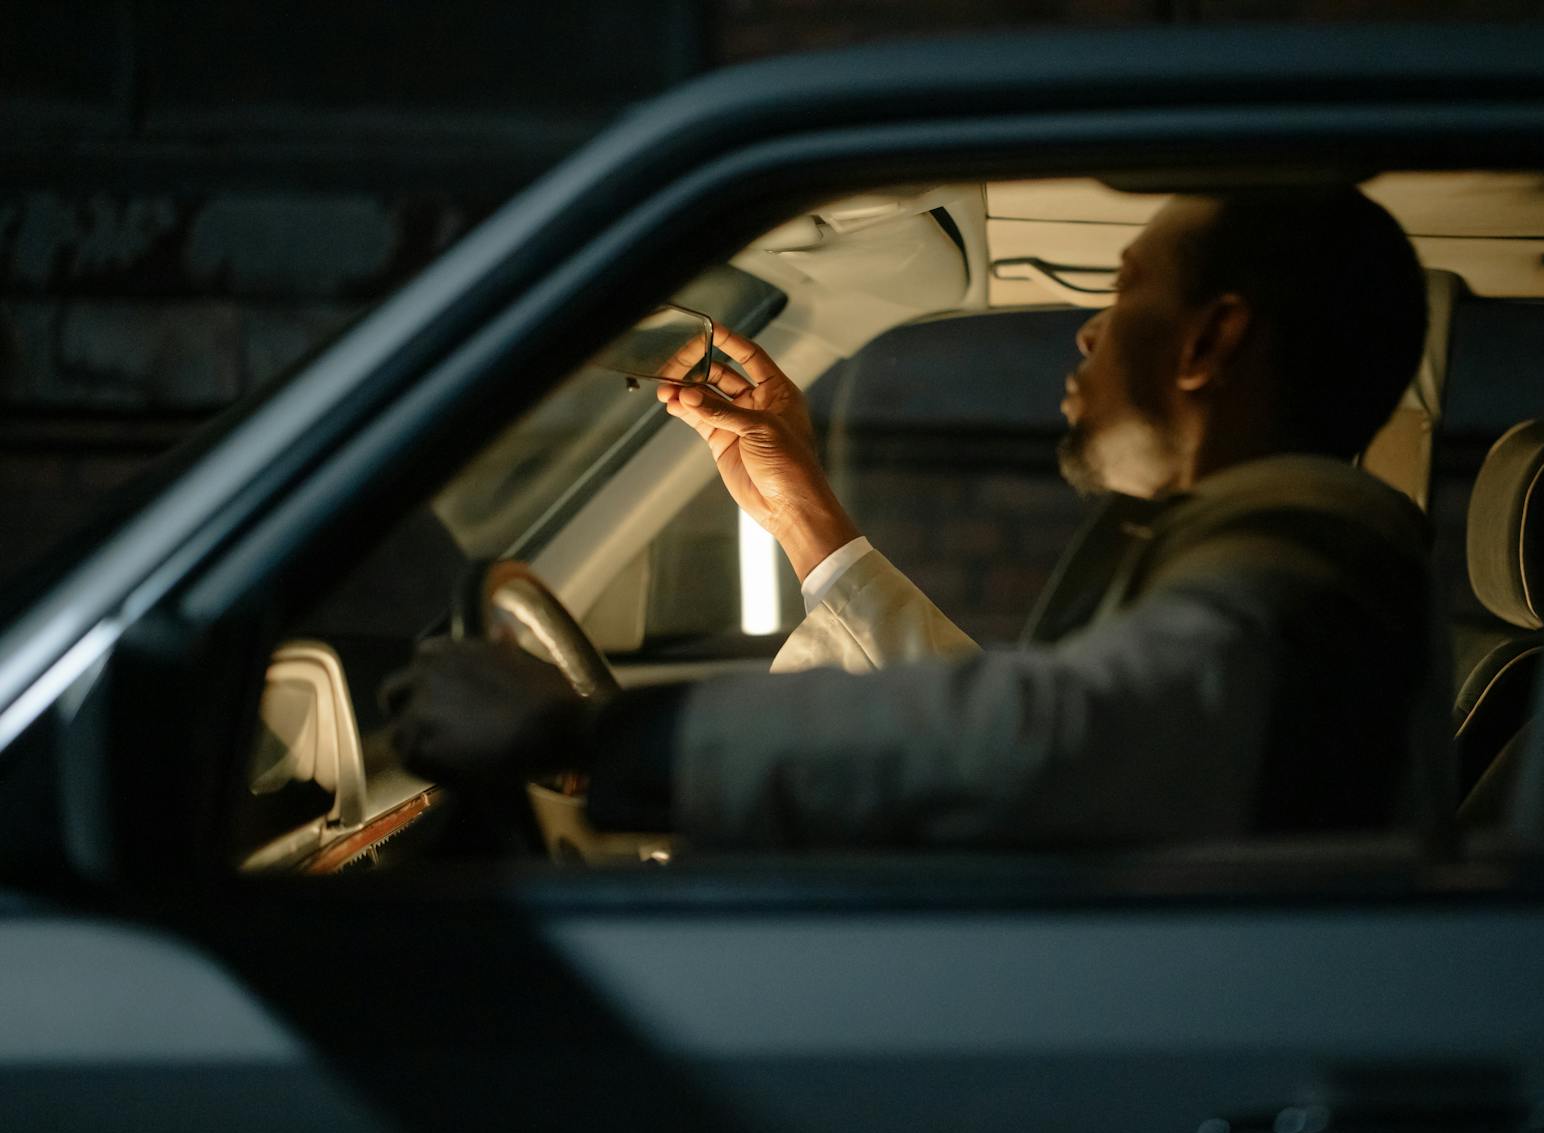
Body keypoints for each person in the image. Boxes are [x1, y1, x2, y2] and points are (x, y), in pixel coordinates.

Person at [384, 187, 1440, 847]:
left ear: (1210, 343)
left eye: (1123, 291)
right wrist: (801, 509)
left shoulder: (1303, 565)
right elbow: (1035, 716)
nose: (1087, 334)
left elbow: (1043, 742)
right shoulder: (1259, 549)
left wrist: (594, 736)